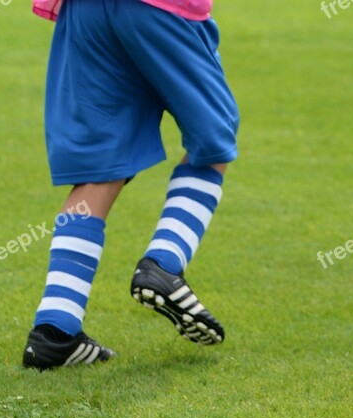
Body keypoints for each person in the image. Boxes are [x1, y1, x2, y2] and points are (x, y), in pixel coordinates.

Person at [23, 0, 240, 370]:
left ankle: (55, 331)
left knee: (101, 169)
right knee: (213, 143)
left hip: (86, 11)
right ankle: (164, 265)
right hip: (159, 8)